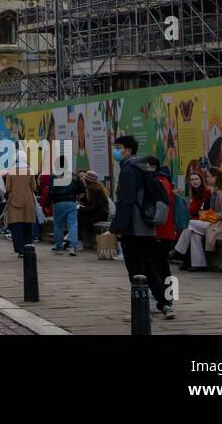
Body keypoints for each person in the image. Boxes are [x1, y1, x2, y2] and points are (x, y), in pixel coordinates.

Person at [110, 135, 169, 317]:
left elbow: (126, 201)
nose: (116, 150)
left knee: (135, 270)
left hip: (133, 227)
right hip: (146, 226)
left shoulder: (128, 170)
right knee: (148, 267)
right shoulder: (143, 168)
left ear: (128, 150)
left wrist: (117, 227)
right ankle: (165, 303)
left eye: (118, 147)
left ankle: (141, 309)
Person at [170, 166, 222, 273]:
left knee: (189, 224)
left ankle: (178, 251)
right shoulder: (216, 191)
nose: (207, 179)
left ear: (215, 178)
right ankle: (199, 264)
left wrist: (208, 215)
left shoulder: (221, 193)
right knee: (194, 233)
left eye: (208, 177)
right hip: (214, 223)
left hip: (221, 226)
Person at [145, 157, 177, 319]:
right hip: (167, 231)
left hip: (159, 230)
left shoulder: (158, 182)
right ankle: (169, 301)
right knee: (164, 266)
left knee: (158, 267)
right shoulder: (165, 181)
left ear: (152, 167)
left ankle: (165, 302)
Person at [4, 155, 38, 255]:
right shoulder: (30, 170)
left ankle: (20, 250)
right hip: (28, 201)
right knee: (27, 225)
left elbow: (8, 188)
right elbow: (34, 187)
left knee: (16, 226)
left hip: (14, 201)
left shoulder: (11, 171)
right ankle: (28, 247)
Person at [49, 165, 86, 255]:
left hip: (58, 203)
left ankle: (59, 247)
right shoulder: (74, 176)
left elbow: (51, 191)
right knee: (72, 224)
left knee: (58, 225)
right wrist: (75, 193)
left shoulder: (55, 176)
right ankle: (72, 247)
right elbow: (82, 189)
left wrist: (48, 201)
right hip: (71, 202)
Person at [77, 170, 109, 238]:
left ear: (88, 180)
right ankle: (79, 238)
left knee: (79, 216)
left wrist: (80, 208)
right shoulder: (94, 187)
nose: (82, 179)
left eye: (84, 178)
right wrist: (83, 199)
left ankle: (79, 239)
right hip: (99, 213)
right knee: (79, 215)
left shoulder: (94, 189)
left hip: (100, 215)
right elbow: (91, 205)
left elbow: (94, 207)